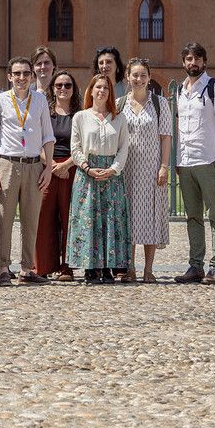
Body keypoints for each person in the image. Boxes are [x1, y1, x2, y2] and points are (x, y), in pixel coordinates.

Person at [0, 56, 55, 286]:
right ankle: (3, 268)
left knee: (30, 218)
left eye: (26, 73)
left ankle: (27, 268)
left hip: (34, 165)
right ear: (9, 76)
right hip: (7, 163)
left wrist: (49, 168)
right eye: (17, 74)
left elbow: (48, 136)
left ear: (32, 76)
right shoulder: (1, 101)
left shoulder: (40, 100)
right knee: (3, 218)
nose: (22, 78)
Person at [174, 42, 215, 285]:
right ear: (183, 63)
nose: (193, 63)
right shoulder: (179, 90)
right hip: (186, 161)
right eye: (189, 59)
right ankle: (195, 265)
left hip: (210, 159)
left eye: (197, 58)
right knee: (193, 217)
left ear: (204, 61)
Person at [67, 74, 131, 285]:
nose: (101, 91)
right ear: (91, 91)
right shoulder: (81, 117)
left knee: (110, 220)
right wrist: (86, 167)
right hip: (87, 174)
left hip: (111, 175)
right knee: (89, 220)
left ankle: (108, 267)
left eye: (105, 87)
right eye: (98, 87)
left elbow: (124, 148)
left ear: (110, 92)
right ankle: (90, 267)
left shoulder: (119, 118)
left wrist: (113, 169)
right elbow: (75, 148)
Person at [119, 59, 172, 283]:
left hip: (152, 169)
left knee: (151, 217)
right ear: (127, 77)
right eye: (135, 75)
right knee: (128, 217)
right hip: (127, 169)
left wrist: (164, 166)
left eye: (143, 75)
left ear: (149, 78)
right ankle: (130, 268)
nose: (138, 79)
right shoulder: (120, 103)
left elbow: (166, 136)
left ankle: (148, 269)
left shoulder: (160, 103)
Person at [35, 69, 80, 281]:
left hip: (73, 168)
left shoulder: (80, 114)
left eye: (67, 85)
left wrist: (69, 164)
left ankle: (66, 266)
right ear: (52, 89)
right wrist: (51, 163)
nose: (63, 89)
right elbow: (38, 139)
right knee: (44, 216)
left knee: (70, 218)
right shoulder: (45, 112)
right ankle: (42, 265)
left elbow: (86, 144)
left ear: (74, 89)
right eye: (59, 85)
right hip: (48, 167)